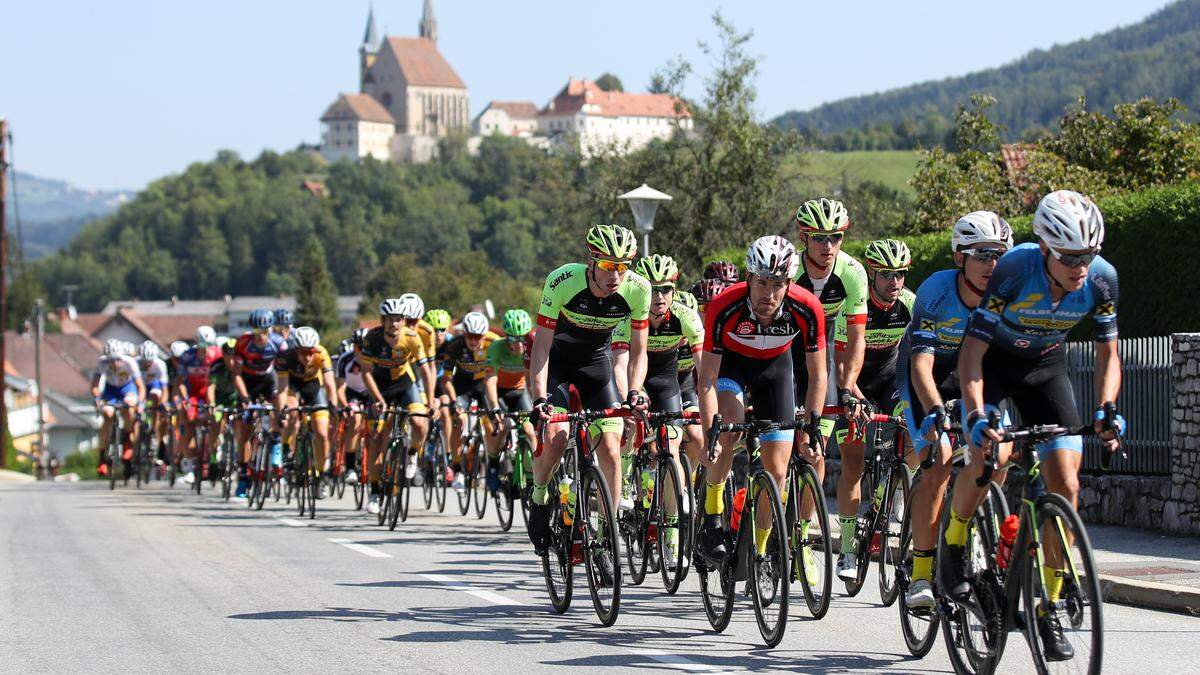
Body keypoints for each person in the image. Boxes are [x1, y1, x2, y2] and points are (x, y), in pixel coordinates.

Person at [955, 191, 1123, 660]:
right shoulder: (1014, 270)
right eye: (1070, 257)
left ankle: (1047, 605)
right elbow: (971, 353)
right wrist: (974, 413)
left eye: (1087, 256)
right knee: (992, 458)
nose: (1080, 268)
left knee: (1066, 483)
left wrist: (1107, 406)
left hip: (1047, 369)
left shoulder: (1103, 279)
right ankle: (952, 543)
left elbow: (1109, 353)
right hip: (995, 364)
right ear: (1045, 249)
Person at [898, 211, 1013, 611]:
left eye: (999, 254)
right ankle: (922, 574)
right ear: (959, 257)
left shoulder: (1005, 295)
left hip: (972, 377)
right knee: (940, 459)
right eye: (981, 255)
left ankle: (969, 533)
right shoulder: (936, 291)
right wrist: (934, 412)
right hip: (926, 372)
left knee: (998, 454)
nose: (991, 264)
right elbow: (921, 366)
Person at [696, 235, 827, 572]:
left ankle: (763, 551)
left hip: (776, 371)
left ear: (790, 284)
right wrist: (711, 428)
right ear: (749, 278)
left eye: (778, 284)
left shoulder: (808, 307)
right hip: (732, 368)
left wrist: (811, 428)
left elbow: (817, 375)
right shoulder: (723, 306)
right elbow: (707, 377)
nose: (768, 294)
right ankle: (712, 514)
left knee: (778, 470)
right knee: (729, 432)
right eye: (762, 282)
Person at [526, 224, 651, 565]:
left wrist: (635, 391)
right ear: (592, 261)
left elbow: (639, 352)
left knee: (611, 448)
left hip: (597, 366)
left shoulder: (639, 290)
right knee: (556, 436)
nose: (617, 275)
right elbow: (541, 350)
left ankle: (606, 537)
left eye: (624, 266)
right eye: (610, 266)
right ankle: (538, 498)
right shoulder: (563, 281)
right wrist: (540, 399)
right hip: (558, 366)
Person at [833, 239, 916, 581]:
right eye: (885, 275)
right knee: (852, 464)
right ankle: (849, 550)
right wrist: (851, 396)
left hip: (889, 378)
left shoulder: (911, 304)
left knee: (915, 424)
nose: (894, 282)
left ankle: (894, 486)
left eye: (899, 275)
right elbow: (840, 364)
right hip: (853, 382)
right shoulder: (854, 304)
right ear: (871, 274)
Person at [612, 253, 703, 567]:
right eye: (652, 290)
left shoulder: (686, 317)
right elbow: (621, 364)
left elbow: (704, 371)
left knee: (673, 446)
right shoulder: (628, 315)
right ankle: (624, 477)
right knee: (627, 428)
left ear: (674, 289)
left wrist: (710, 405)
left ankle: (673, 534)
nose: (659, 296)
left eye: (665, 289)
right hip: (632, 379)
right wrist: (628, 401)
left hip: (666, 382)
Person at [355, 298, 431, 515]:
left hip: (404, 384)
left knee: (420, 422)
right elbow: (366, 373)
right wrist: (378, 400)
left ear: (404, 320)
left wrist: (431, 398)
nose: (394, 324)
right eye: (390, 320)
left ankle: (413, 452)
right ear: (382, 320)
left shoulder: (412, 338)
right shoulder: (372, 339)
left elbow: (425, 370)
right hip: (379, 388)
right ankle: (375, 491)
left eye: (398, 319)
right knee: (378, 438)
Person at [440, 311, 500, 491]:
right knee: (459, 420)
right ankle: (457, 468)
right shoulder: (454, 346)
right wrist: (452, 401)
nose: (474, 341)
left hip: (483, 385)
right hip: (462, 386)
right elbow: (446, 379)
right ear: (464, 333)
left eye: (478, 337)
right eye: (470, 336)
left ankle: (493, 462)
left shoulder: (493, 342)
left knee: (493, 426)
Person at [278, 326, 339, 498]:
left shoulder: (322, 354)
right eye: (304, 353)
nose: (308, 357)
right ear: (296, 350)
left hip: (313, 387)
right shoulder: (285, 357)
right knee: (291, 414)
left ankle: (322, 473)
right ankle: (286, 448)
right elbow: (282, 388)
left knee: (321, 433)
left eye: (311, 352)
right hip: (293, 386)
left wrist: (332, 406)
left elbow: (329, 384)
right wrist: (281, 410)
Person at [482, 309, 537, 493]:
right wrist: (495, 408)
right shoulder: (496, 348)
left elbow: (533, 378)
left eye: (522, 339)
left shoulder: (532, 345)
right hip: (497, 392)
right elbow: (490, 380)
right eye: (513, 339)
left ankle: (532, 475)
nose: (518, 345)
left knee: (530, 430)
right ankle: (492, 463)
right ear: (506, 338)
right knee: (503, 426)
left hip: (519, 392)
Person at [232, 309, 288, 477]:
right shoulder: (243, 343)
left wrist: (281, 406)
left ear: (270, 329)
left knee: (280, 413)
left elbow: (283, 375)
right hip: (248, 382)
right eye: (256, 331)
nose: (260, 335)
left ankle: (276, 443)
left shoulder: (279, 343)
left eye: (264, 331)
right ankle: (243, 471)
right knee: (245, 430)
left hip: (268, 379)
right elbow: (236, 375)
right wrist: (245, 398)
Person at [91, 339, 145, 477]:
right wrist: (97, 398)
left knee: (129, 407)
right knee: (108, 414)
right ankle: (102, 457)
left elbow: (140, 387)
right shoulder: (101, 363)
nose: (114, 363)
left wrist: (140, 402)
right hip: (110, 391)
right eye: (111, 360)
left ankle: (127, 439)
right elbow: (95, 385)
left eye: (116, 360)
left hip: (127, 388)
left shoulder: (129, 363)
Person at [177, 326, 222, 484]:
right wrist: (186, 400)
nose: (206, 350)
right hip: (193, 394)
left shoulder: (218, 355)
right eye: (203, 346)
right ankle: (190, 465)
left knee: (216, 419)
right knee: (189, 422)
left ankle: (215, 450)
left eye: (209, 346)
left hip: (211, 393)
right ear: (197, 344)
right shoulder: (187, 357)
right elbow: (181, 382)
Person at [335, 328, 372, 486]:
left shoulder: (376, 358)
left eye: (365, 348)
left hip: (371, 392)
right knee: (355, 418)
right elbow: (340, 389)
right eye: (358, 348)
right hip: (352, 393)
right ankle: (350, 467)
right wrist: (345, 406)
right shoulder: (345, 360)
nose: (361, 352)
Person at [136, 340, 171, 463]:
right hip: (138, 388)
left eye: (149, 361)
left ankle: (153, 430)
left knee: (156, 397)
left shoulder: (160, 365)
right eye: (145, 361)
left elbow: (164, 389)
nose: (147, 364)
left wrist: (163, 404)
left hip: (153, 387)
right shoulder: (135, 363)